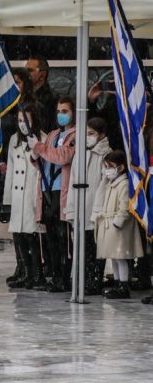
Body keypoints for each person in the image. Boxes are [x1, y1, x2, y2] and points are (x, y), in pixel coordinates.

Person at [31, 96, 77, 293]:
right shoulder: (52, 134)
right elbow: (43, 160)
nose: (61, 115)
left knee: (64, 237)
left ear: (73, 113)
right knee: (51, 238)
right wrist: (34, 155)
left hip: (63, 190)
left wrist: (40, 149)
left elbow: (63, 156)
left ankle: (65, 278)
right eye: (59, 111)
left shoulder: (76, 135)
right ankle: (55, 275)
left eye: (65, 111)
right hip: (47, 189)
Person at [66, 116, 110, 294]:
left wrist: (99, 210)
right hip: (80, 208)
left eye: (92, 133)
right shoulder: (79, 153)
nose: (88, 137)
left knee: (96, 248)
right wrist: (70, 209)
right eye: (86, 133)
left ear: (101, 135)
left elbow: (104, 184)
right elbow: (72, 182)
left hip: (95, 209)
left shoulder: (106, 154)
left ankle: (95, 279)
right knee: (81, 247)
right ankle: (81, 278)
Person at [3, 106, 44, 289]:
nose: (22, 125)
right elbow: (11, 172)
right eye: (19, 121)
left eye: (26, 120)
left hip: (32, 194)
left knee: (32, 237)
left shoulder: (42, 138)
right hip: (18, 196)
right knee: (19, 237)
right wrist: (8, 200)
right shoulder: (14, 140)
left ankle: (37, 274)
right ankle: (25, 272)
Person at [96, 150, 141, 299]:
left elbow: (124, 206)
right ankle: (117, 283)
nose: (107, 169)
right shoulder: (111, 183)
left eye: (110, 166)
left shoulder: (123, 184)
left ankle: (123, 285)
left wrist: (118, 222)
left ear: (120, 168)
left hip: (118, 227)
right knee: (113, 256)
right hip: (110, 224)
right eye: (106, 166)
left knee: (120, 256)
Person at [23, 56, 58, 121]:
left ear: (42, 75)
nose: (25, 74)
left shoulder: (53, 99)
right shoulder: (23, 96)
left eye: (30, 70)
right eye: (25, 70)